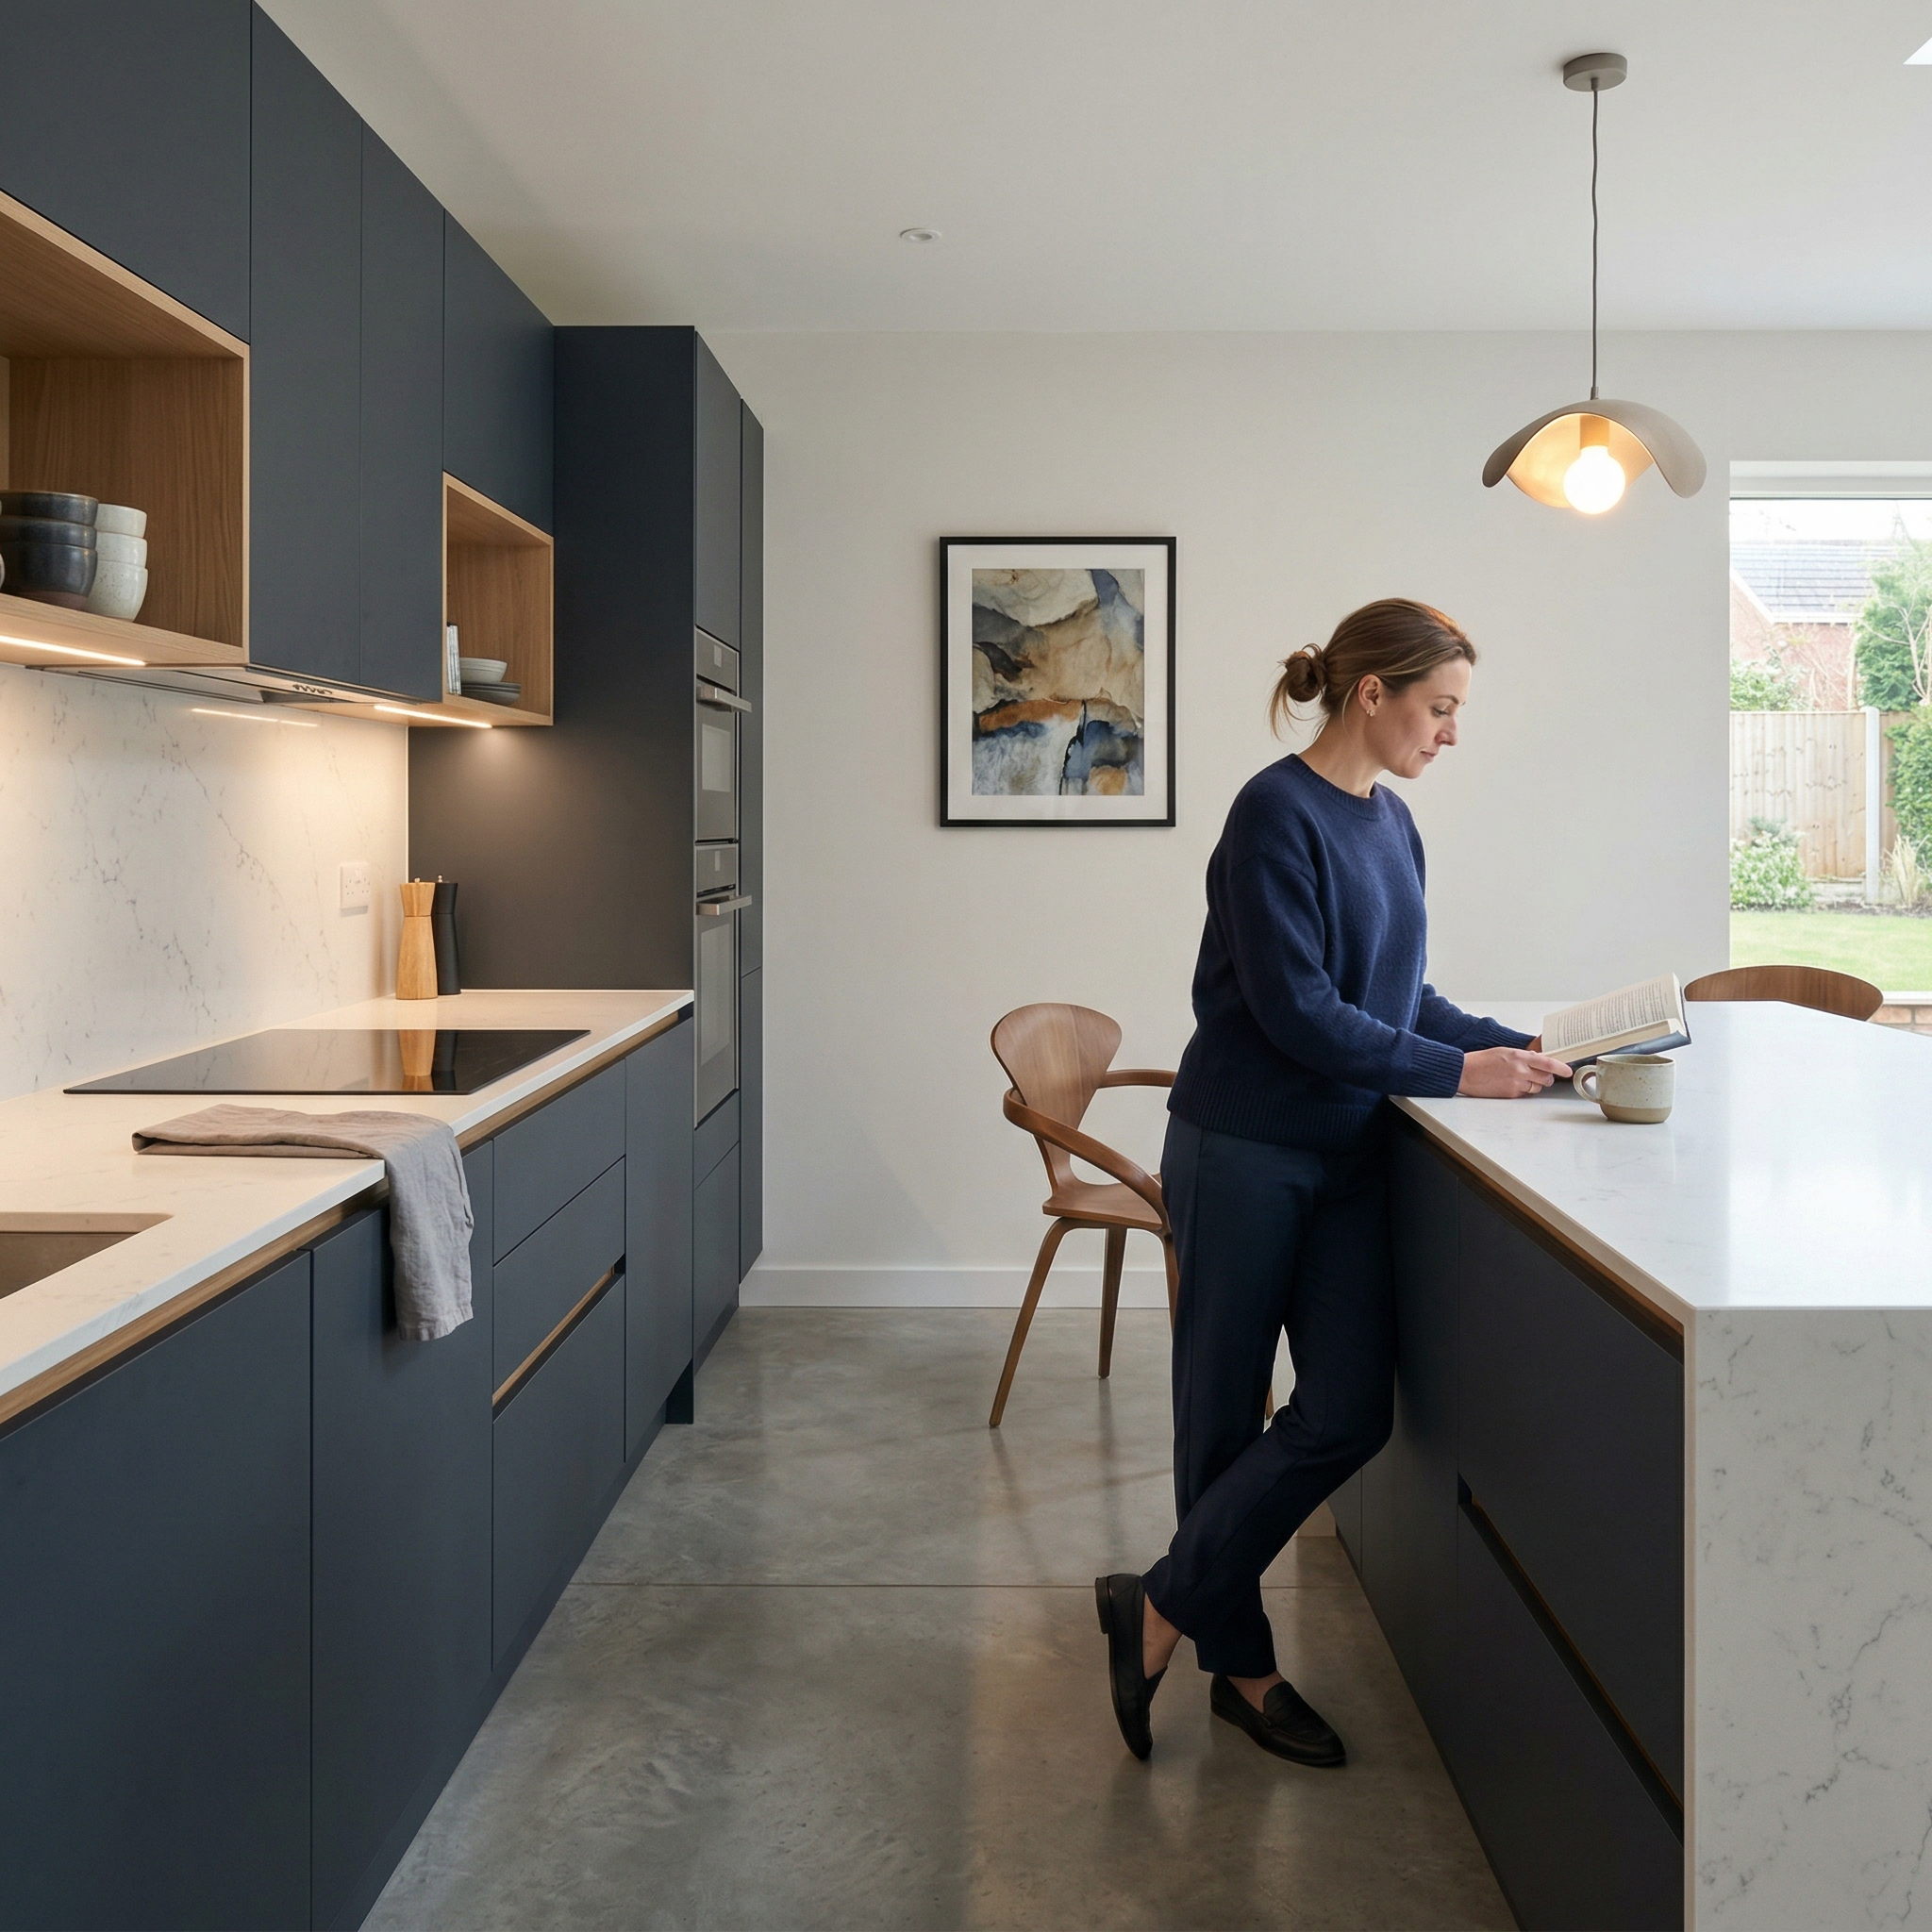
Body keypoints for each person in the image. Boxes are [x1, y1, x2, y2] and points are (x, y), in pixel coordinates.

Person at [1095, 597, 1570, 1766]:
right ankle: (1241, 1670)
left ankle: (1155, 1600)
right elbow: (1299, 1011)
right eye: (1439, 707)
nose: (1449, 733)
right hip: (1243, 1147)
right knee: (1220, 1413)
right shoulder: (1272, 812)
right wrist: (1456, 1074)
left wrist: (1526, 1047)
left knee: (1346, 1407)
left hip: (1343, 1154)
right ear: (1372, 693)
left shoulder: (1392, 822)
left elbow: (1397, 994)